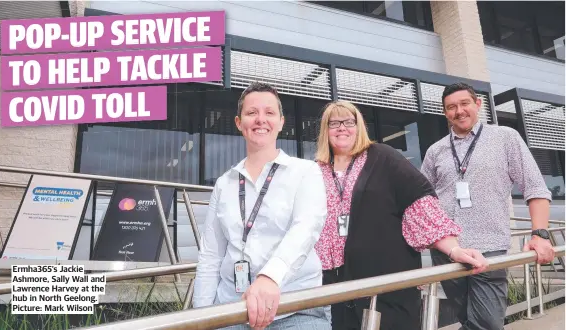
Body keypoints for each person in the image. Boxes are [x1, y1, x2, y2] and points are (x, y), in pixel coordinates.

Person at [313, 100, 489, 330]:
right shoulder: (314, 170)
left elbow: (419, 202)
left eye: (348, 121)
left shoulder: (383, 157)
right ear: (325, 130)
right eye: (334, 123)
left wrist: (453, 248)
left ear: (359, 126)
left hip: (385, 285)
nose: (341, 128)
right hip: (331, 285)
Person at [192, 82, 330, 330]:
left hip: (294, 308)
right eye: (251, 112)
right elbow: (211, 255)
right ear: (238, 122)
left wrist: (269, 278)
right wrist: (202, 317)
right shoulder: (225, 183)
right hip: (232, 310)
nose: (260, 119)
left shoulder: (305, 172)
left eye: (269, 113)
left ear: (281, 122)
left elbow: (306, 228)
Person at [420, 82, 555, 330]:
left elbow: (535, 187)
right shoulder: (435, 151)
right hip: (447, 251)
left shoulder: (505, 138)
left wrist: (540, 234)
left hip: (489, 248)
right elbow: (422, 202)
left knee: (488, 324)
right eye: (451, 107)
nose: (459, 111)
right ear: (444, 112)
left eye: (464, 104)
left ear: (478, 104)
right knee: (469, 320)